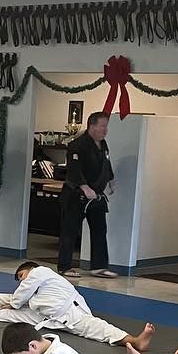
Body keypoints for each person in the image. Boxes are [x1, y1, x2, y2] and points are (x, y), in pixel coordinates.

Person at [0, 260, 154, 349]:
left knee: (99, 329)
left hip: (70, 312)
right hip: (51, 318)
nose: (22, 281)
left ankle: (135, 341)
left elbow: (18, 298)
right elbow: (18, 298)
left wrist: (13, 303)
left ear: (30, 269)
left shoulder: (39, 272)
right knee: (20, 315)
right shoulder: (30, 290)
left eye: (21, 275)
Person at [58, 111, 116, 278]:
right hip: (75, 195)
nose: (105, 130)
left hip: (96, 196)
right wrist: (84, 186)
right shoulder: (77, 145)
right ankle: (64, 266)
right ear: (92, 126)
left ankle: (99, 266)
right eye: (102, 126)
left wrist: (111, 180)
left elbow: (107, 164)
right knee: (70, 231)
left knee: (100, 229)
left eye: (106, 126)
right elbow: (74, 170)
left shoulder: (103, 145)